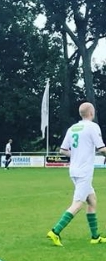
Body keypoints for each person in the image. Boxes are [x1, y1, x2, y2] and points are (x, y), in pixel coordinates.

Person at [47, 102, 106, 246]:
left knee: (92, 200)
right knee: (78, 204)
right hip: (84, 172)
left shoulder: (72, 128)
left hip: (74, 170)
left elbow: (63, 150)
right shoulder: (93, 127)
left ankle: (95, 237)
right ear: (91, 113)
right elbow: (102, 148)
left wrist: (76, 155)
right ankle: (55, 231)